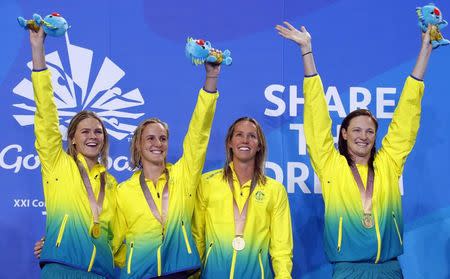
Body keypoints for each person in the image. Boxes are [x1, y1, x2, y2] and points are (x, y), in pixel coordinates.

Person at [276, 22, 432, 278]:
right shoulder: (331, 166)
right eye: (357, 130)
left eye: (370, 131)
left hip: (389, 269)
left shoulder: (388, 164)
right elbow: (316, 118)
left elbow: (407, 115)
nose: (364, 137)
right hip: (347, 270)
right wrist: (307, 51)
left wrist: (425, 51)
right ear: (345, 134)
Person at [111, 63, 220, 278]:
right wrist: (135, 261)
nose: (157, 143)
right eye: (150, 138)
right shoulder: (123, 191)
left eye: (163, 138)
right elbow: (112, 240)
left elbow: (198, 135)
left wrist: (211, 79)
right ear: (138, 145)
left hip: (179, 273)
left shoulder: (183, 176)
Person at [30, 27, 118, 278]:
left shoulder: (111, 184)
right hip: (60, 270)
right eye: (85, 132)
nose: (93, 137)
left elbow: (119, 235)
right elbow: (46, 115)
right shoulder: (57, 164)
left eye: (98, 132)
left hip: (101, 273)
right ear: (73, 140)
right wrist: (38, 51)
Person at [192, 117, 293, 278]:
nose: (245, 140)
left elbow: (282, 248)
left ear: (259, 145)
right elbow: (197, 237)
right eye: (239, 135)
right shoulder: (207, 183)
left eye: (252, 136)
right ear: (229, 143)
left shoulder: (274, 190)